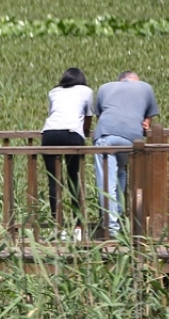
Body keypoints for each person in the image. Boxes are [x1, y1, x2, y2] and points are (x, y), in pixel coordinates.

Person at [92, 71, 158, 236]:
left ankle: (112, 229)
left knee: (106, 181)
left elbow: (101, 116)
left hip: (106, 135)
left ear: (120, 81)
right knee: (120, 171)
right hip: (131, 138)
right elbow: (146, 121)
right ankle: (120, 220)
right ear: (136, 80)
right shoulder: (146, 88)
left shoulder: (104, 88)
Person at [41, 67, 93, 240]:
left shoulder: (53, 91)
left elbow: (52, 114)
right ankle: (77, 226)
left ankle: (57, 226)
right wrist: (84, 132)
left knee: (54, 181)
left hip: (49, 134)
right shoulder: (86, 91)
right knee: (73, 178)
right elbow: (88, 117)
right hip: (71, 134)